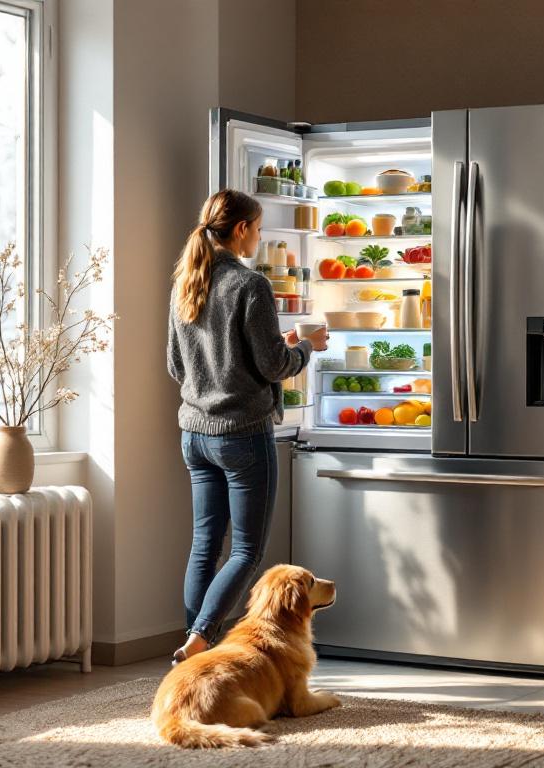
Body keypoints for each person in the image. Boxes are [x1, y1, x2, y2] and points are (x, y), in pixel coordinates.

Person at [165, 188, 328, 665]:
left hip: (195, 434)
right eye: (258, 228)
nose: (259, 236)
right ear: (241, 230)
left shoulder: (185, 282)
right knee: (247, 551)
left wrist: (279, 343)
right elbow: (275, 366)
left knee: (204, 546)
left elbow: (179, 365)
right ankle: (200, 636)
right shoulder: (250, 284)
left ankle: (195, 653)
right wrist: (307, 348)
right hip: (242, 435)